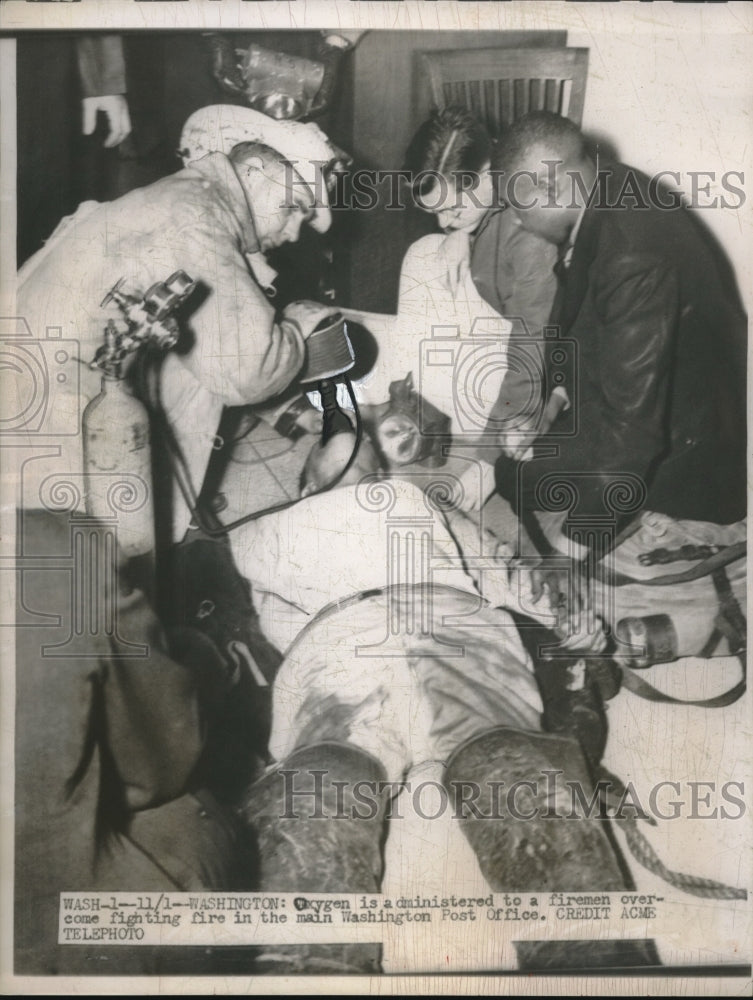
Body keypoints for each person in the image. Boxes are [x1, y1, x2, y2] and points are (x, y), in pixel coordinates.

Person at [228, 432, 657, 974]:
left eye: (371, 469)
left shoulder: (421, 504)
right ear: (305, 482)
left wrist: (566, 619)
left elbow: (506, 570)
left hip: (453, 628)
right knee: (317, 791)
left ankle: (599, 969)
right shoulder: (260, 535)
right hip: (339, 646)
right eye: (334, 466)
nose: (359, 471)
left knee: (514, 774)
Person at [10, 105, 344, 542]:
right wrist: (298, 332)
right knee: (228, 361)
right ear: (257, 171)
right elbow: (248, 371)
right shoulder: (197, 218)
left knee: (201, 332)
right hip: (44, 451)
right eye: (294, 208)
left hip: (30, 396)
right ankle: (142, 538)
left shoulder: (183, 195)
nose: (295, 233)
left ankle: (163, 514)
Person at [489, 111, 747, 553]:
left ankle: (681, 516)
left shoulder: (633, 253)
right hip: (647, 401)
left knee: (517, 479)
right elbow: (587, 326)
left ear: (550, 187)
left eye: (517, 207)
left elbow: (633, 435)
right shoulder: (609, 183)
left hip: (685, 444)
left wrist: (573, 551)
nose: (515, 221)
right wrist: (552, 405)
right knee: (512, 473)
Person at [14, 508, 245, 975]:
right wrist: (201, 663)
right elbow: (161, 766)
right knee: (195, 809)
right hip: (75, 938)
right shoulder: (55, 547)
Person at [402, 106, 561, 461]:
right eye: (435, 212)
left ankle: (540, 412)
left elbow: (533, 342)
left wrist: (488, 461)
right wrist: (462, 230)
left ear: (488, 173)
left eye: (454, 209)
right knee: (425, 250)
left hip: (549, 348)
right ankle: (429, 400)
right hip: (506, 307)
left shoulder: (532, 235)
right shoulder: (491, 188)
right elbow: (459, 216)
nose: (444, 221)